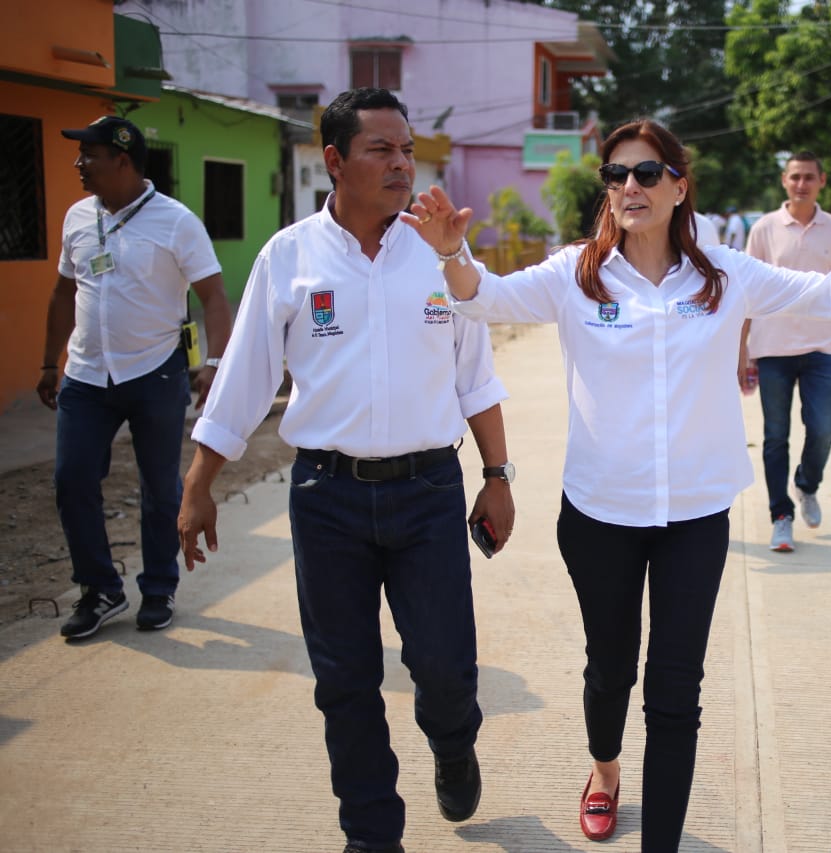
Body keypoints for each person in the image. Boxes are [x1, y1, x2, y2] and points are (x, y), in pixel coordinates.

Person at [400, 119, 831, 851]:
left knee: (676, 692)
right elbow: (481, 295)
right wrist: (452, 252)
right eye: (616, 175)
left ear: (679, 186)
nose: (629, 187)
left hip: (696, 519)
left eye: (646, 173)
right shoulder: (575, 273)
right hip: (600, 515)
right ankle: (605, 769)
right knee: (610, 671)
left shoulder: (726, 276)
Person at [177, 88, 516, 853]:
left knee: (445, 667)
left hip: (429, 491)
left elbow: (476, 375)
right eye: (382, 151)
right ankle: (371, 834)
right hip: (326, 497)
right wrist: (199, 482)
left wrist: (497, 475)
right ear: (334, 160)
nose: (403, 166)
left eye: (407, 151)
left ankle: (453, 739)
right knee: (345, 680)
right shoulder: (290, 258)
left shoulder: (440, 254)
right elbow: (244, 379)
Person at [38, 115, 231, 640]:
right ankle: (99, 588)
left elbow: (214, 296)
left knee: (158, 485)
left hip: (155, 372)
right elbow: (62, 293)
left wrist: (213, 365)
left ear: (122, 160)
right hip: (85, 375)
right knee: (71, 479)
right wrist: (49, 362)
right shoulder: (78, 217)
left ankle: (159, 587)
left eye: (89, 155)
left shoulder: (176, 222)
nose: (79, 164)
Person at [738, 151, 831, 552]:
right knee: (775, 436)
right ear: (784, 180)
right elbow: (746, 292)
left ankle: (806, 485)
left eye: (809, 177)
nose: (801, 184)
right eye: (795, 177)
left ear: (821, 182)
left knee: (824, 429)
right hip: (773, 348)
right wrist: (741, 351)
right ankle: (781, 516)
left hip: (824, 348)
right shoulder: (763, 229)